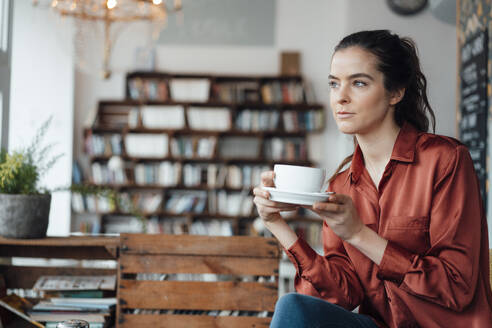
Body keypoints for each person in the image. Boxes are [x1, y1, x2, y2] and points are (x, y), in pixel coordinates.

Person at [253, 30, 492, 328]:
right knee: (293, 306)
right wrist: (276, 223)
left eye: (359, 83)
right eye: (333, 83)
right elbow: (340, 296)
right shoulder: (340, 186)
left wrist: (358, 235)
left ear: (395, 92)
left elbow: (456, 286)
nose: (340, 96)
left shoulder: (445, 160)